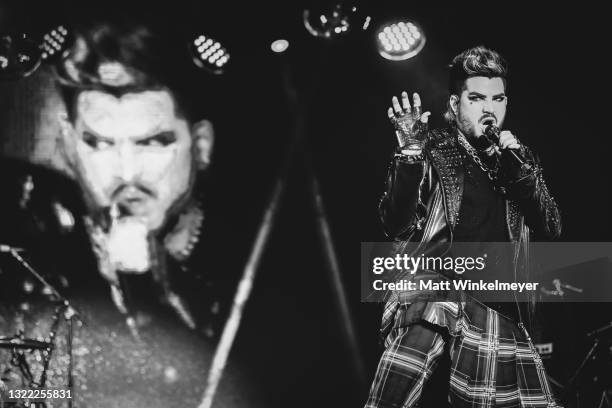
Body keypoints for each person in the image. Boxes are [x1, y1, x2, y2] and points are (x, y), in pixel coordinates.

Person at [0, 19, 256, 407]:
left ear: (200, 146)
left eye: (153, 142)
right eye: (99, 143)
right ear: (69, 147)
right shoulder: (42, 266)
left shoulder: (267, 259)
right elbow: (20, 390)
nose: (127, 173)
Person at [364, 46, 562, 407]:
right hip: (437, 290)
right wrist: (410, 154)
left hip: (498, 310)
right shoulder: (434, 147)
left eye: (498, 99)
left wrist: (520, 167)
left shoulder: (516, 162)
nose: (489, 109)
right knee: (392, 396)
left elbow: (550, 226)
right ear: (456, 105)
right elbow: (396, 224)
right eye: (476, 98)